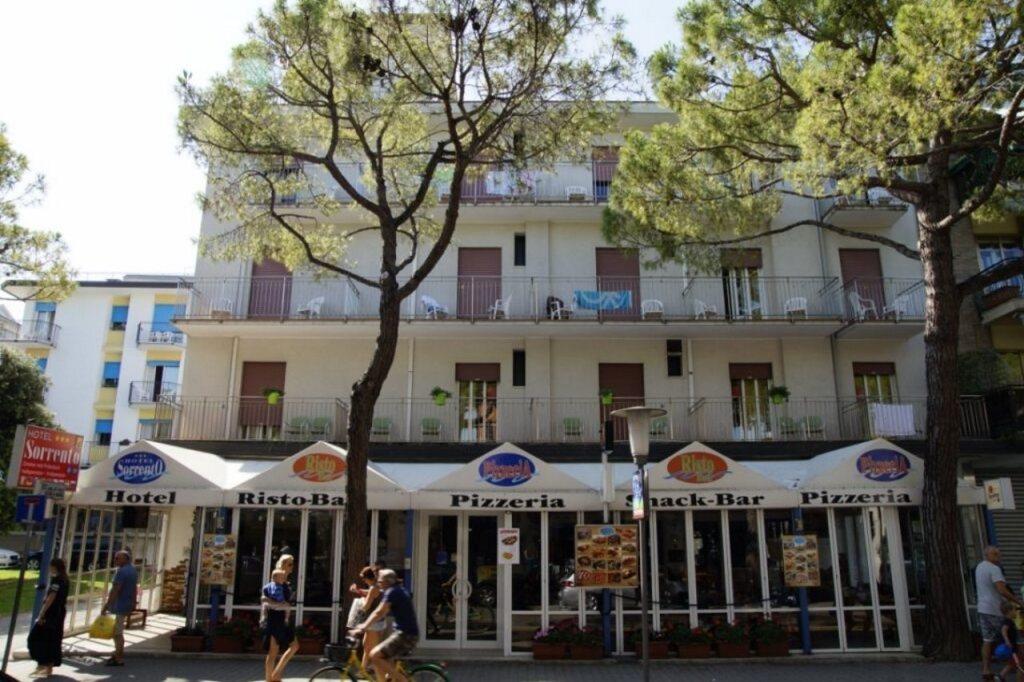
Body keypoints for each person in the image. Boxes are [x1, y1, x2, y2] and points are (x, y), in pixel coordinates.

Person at [351, 569, 418, 682]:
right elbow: (377, 603)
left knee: (375, 655)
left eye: (380, 581)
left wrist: (363, 626)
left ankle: (403, 680)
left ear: (387, 582)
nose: (378, 583)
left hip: (405, 635)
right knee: (381, 658)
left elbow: (379, 612)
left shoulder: (392, 592)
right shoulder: (397, 589)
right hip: (408, 634)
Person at [978, 546, 1024, 681]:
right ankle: (1015, 664)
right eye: (995, 554)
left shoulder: (980, 567)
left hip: (983, 608)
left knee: (987, 640)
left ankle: (986, 669)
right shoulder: (994, 569)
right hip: (995, 609)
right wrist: (1018, 602)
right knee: (1011, 637)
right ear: (987, 555)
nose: (998, 557)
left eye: (999, 554)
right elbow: (1002, 590)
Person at [27, 558, 69, 678]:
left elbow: (51, 597)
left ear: (54, 567)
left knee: (35, 637)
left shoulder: (57, 580)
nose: (49, 568)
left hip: (51, 613)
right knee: (53, 639)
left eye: (51, 566)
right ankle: (48, 668)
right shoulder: (65, 580)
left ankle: (42, 664)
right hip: (60, 613)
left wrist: (42, 613)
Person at [262, 555, 299, 682]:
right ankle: (270, 679)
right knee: (273, 651)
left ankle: (276, 675)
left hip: (284, 618)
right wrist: (281, 605)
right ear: (282, 565)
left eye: (292, 564)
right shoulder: (276, 580)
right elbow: (264, 599)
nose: (292, 567)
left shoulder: (286, 582)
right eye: (290, 564)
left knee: (294, 646)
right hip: (275, 618)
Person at [346, 566, 386, 675]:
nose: (363, 581)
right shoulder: (376, 586)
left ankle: (382, 672)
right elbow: (368, 593)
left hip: (374, 624)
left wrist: (360, 602)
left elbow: (366, 606)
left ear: (368, 578)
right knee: (367, 647)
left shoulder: (374, 588)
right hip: (377, 622)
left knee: (373, 650)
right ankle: (363, 670)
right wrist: (358, 591)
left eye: (364, 579)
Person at [101, 550, 137, 667]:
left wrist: (107, 605)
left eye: (118, 558)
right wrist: (133, 602)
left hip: (120, 605)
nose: (115, 560)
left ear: (126, 559)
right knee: (117, 631)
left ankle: (119, 657)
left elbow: (116, 589)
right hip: (127, 604)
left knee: (117, 633)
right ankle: (117, 653)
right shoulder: (133, 570)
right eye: (115, 558)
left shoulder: (121, 572)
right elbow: (134, 588)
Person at [999, 601, 1023, 682]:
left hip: (1012, 647)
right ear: (1009, 611)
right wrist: (1007, 640)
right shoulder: (1008, 621)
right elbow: (1003, 630)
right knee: (1019, 664)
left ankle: (1001, 676)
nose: (1016, 612)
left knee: (1011, 663)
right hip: (1012, 647)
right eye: (1015, 610)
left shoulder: (1009, 621)